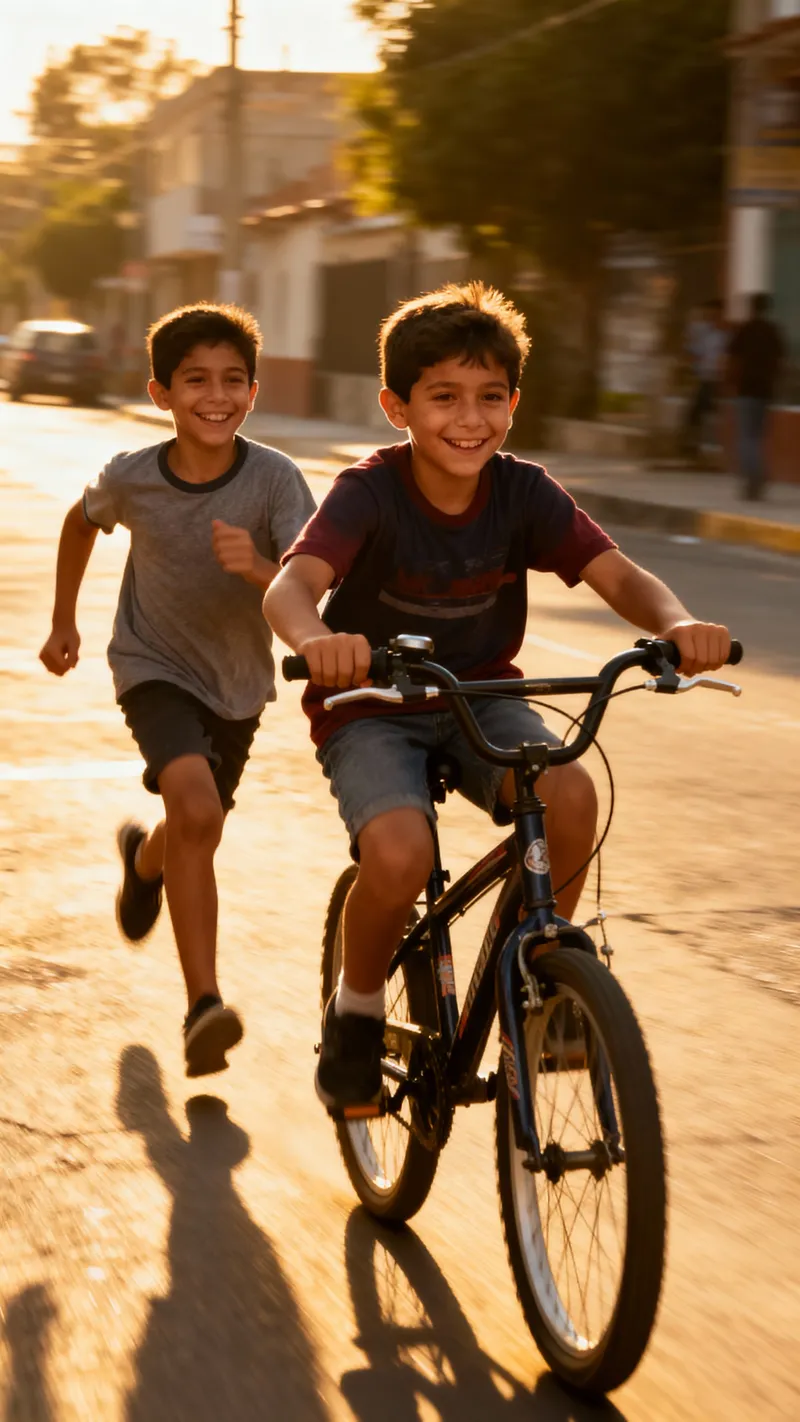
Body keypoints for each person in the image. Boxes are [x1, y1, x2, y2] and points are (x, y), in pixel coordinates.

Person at [263, 281, 731, 1115]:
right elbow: (291, 586)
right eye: (443, 397)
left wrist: (678, 623)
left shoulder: (523, 490)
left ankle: (536, 980)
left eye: (490, 397)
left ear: (515, 402)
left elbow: (614, 572)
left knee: (572, 794)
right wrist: (315, 641)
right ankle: (358, 1009)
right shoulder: (368, 492)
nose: (469, 418)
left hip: (479, 695)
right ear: (397, 406)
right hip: (370, 703)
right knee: (400, 856)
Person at [39, 303, 315, 1076]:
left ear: (254, 391)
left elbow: (315, 580)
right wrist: (64, 619)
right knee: (196, 808)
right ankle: (204, 1006)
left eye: (233, 380)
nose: (215, 395)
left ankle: (147, 862)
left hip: (238, 685)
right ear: (161, 392)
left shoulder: (275, 481)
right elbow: (80, 521)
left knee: (197, 823)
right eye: (196, 380)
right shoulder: (135, 476)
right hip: (152, 666)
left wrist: (259, 569)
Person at [728, 292, 785, 501]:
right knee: (758, 436)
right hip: (766, 391)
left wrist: (730, 384)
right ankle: (758, 476)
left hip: (746, 390)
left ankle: (753, 479)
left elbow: (733, 359)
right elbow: (781, 361)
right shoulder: (773, 331)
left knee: (746, 436)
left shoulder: (745, 330)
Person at [683, 299, 727, 461]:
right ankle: (694, 447)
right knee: (696, 414)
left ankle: (708, 449)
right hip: (704, 377)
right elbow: (693, 352)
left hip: (717, 379)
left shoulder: (724, 334)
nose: (711, 316)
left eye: (714, 313)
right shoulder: (703, 332)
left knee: (708, 413)